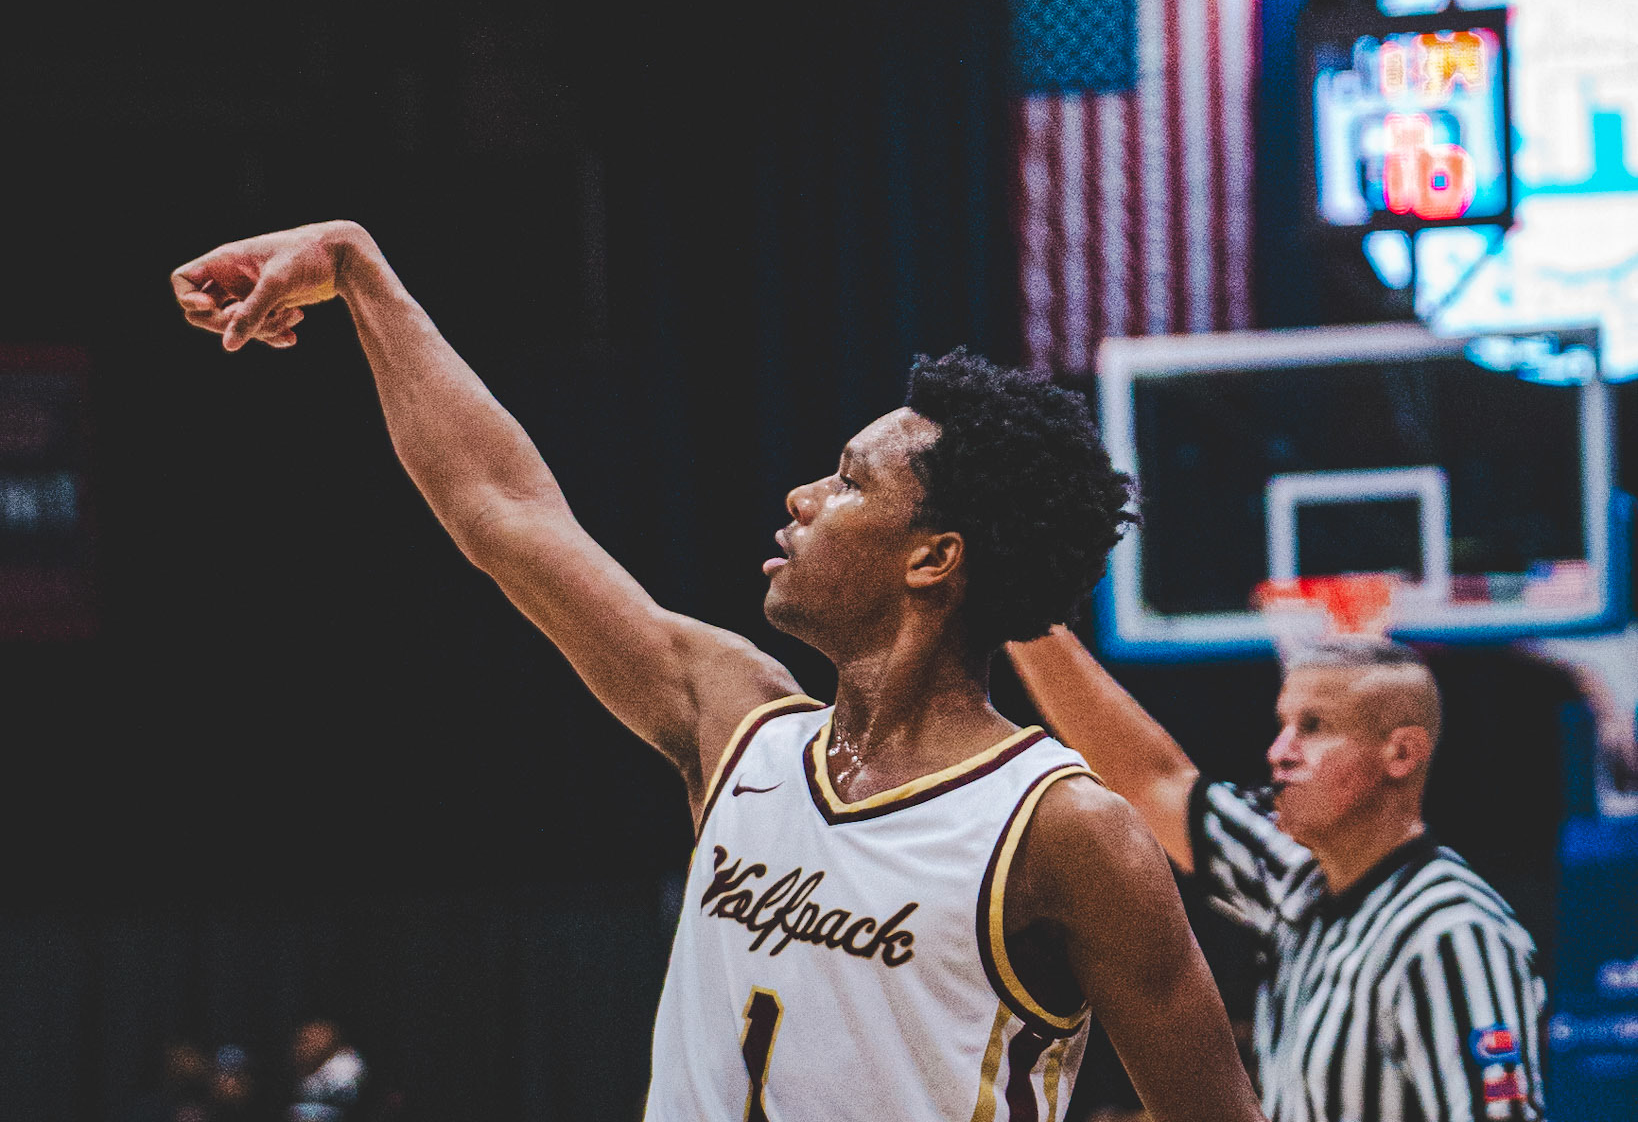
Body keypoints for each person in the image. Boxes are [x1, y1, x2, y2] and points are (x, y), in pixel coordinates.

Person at [172, 220, 1262, 1122]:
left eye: (848, 482)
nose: (802, 497)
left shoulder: (1067, 829)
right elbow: (502, 511)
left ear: (934, 559)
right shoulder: (741, 722)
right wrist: (358, 270)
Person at [1010, 625, 1545, 1122]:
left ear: (1401, 754)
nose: (1278, 753)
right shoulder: (1300, 885)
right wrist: (1023, 613)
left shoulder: (1452, 934)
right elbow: (1153, 782)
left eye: (1313, 727)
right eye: (1283, 725)